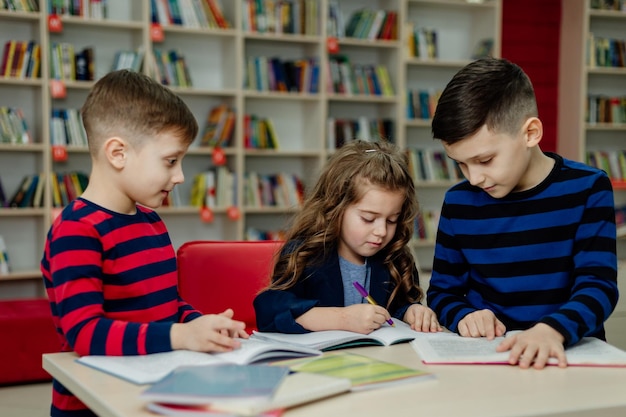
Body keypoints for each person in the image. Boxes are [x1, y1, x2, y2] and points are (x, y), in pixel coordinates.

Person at [41, 69, 248, 417]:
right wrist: (182, 336)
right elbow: (85, 334)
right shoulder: (76, 230)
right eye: (171, 160)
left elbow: (166, 308)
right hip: (92, 405)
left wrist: (203, 326)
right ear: (118, 153)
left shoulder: (151, 223)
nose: (180, 176)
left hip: (154, 391)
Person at [427, 57, 619, 369]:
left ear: (530, 133)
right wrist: (465, 315)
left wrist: (551, 331)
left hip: (566, 358)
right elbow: (441, 293)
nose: (473, 178)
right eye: (461, 163)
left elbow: (598, 286)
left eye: (485, 160)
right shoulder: (459, 201)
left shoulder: (588, 188)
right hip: (492, 359)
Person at [253, 140, 441, 334]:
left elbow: (399, 307)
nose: (382, 231)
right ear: (335, 208)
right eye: (368, 219)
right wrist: (341, 318)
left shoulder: (397, 258)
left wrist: (412, 311)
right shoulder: (305, 254)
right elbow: (269, 309)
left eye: (392, 220)